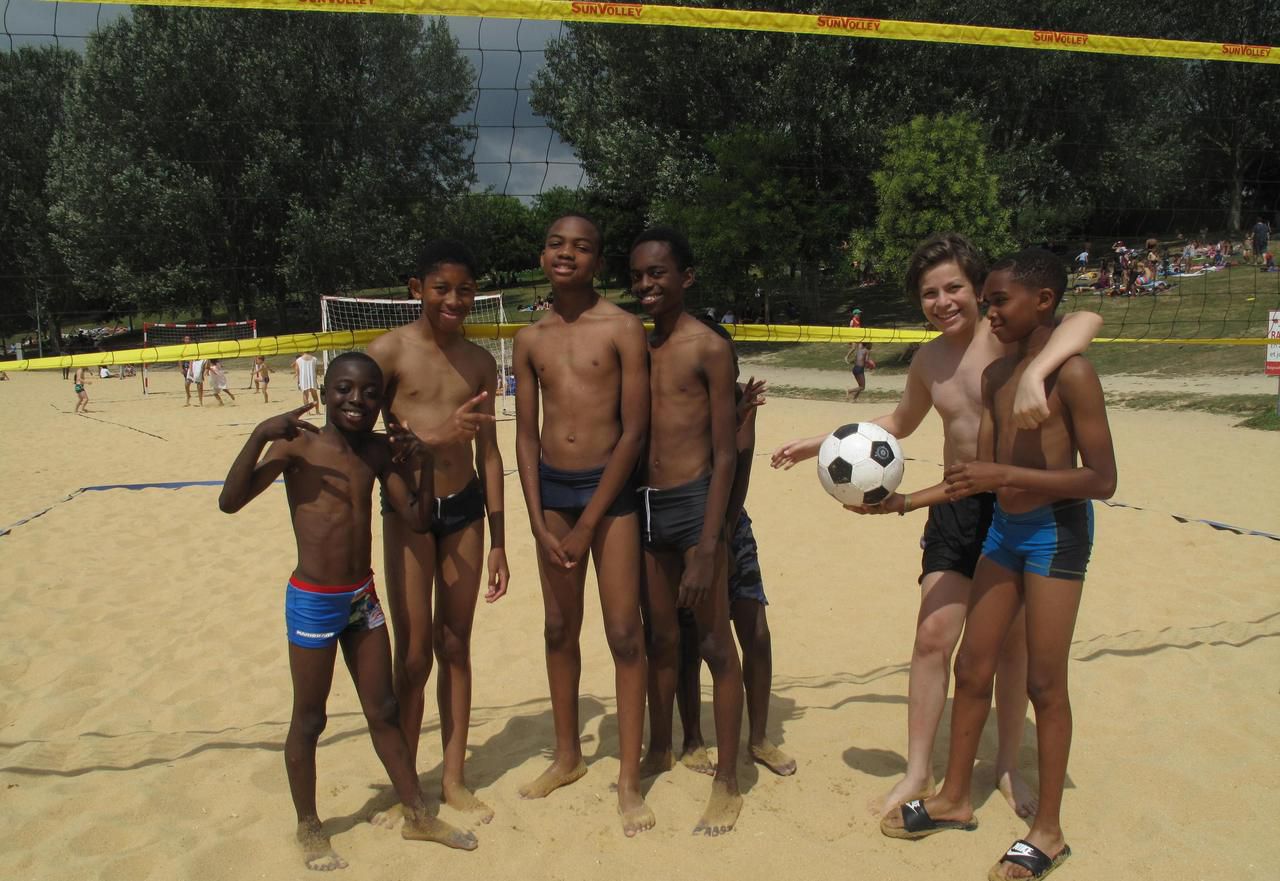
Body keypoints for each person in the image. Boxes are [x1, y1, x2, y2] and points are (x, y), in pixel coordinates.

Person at [772, 233, 1102, 821]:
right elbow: (898, 421)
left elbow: (1085, 318)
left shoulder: (1006, 334)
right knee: (932, 639)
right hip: (953, 503)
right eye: (929, 293)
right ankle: (918, 770)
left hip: (1014, 505)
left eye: (953, 287)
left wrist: (1037, 372)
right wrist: (818, 442)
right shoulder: (928, 360)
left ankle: (1004, 766)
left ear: (979, 289)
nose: (942, 301)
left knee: (1011, 649)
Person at [879, 248, 1117, 881]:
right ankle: (956, 799)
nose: (989, 312)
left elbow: (1102, 479)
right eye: (984, 302)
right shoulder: (992, 378)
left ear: (1042, 302)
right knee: (972, 663)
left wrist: (1005, 473)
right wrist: (904, 502)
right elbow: (968, 479)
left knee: (1044, 682)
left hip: (1054, 535)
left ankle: (1049, 833)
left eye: (996, 302)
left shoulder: (1072, 376)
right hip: (1003, 532)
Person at [217, 353, 478, 869]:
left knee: (382, 709)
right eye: (343, 390)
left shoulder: (379, 453)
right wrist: (258, 436)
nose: (356, 401)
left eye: (368, 393)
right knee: (310, 718)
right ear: (326, 391)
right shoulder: (298, 445)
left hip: (361, 598)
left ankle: (418, 815)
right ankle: (310, 826)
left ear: (381, 402)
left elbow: (420, 520)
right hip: (314, 601)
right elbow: (230, 501)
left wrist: (422, 463)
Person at [512, 214, 652, 836]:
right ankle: (568, 756)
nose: (566, 254)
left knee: (624, 631)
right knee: (558, 627)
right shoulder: (529, 337)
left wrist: (590, 519)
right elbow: (522, 433)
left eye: (583, 247)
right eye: (556, 244)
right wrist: (539, 519)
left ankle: (626, 777)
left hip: (609, 492)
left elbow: (634, 431)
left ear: (599, 261)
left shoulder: (622, 327)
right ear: (542, 254)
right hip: (552, 495)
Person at [366, 239, 509, 825]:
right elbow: (357, 441)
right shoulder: (387, 352)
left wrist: (500, 538)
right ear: (415, 288)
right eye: (441, 288)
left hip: (465, 511)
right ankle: (407, 782)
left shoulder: (479, 361)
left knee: (457, 645)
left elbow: (493, 455)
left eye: (465, 289)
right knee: (415, 653)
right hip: (407, 511)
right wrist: (435, 440)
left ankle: (453, 776)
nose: (454, 299)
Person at [631, 225, 744, 836]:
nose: (647, 284)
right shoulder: (639, 347)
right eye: (639, 274)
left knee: (715, 642)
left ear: (686, 277)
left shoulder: (708, 347)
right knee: (662, 641)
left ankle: (727, 781)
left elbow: (726, 454)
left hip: (695, 503)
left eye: (659, 273)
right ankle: (660, 746)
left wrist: (710, 542)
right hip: (646, 507)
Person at [675, 321, 793, 778]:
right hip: (683, 530)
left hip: (729, 528)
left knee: (755, 631)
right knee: (690, 639)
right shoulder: (679, 399)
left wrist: (720, 536)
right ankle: (690, 738)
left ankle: (759, 737)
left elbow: (739, 470)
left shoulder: (740, 401)